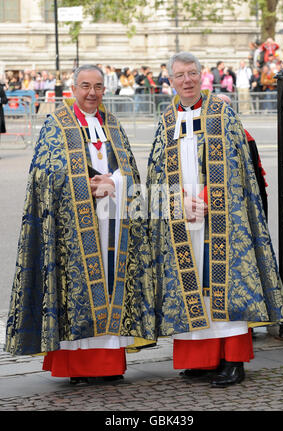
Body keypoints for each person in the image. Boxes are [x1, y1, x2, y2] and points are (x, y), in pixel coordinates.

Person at [146, 52, 283, 388]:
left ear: (202, 75)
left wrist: (210, 200)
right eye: (179, 75)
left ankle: (232, 360)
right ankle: (200, 359)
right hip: (183, 216)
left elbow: (236, 164)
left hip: (221, 215)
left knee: (225, 285)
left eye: (192, 73)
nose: (187, 80)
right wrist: (177, 201)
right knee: (193, 284)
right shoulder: (166, 120)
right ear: (171, 80)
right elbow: (155, 170)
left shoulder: (221, 111)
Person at [5, 64, 155, 384]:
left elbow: (131, 169)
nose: (92, 93)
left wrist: (115, 183)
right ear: (74, 89)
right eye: (85, 86)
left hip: (112, 218)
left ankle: (110, 364)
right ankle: (79, 367)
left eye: (98, 87)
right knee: (79, 290)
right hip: (72, 225)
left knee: (112, 284)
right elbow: (42, 175)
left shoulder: (112, 123)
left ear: (105, 90)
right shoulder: (57, 124)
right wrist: (83, 186)